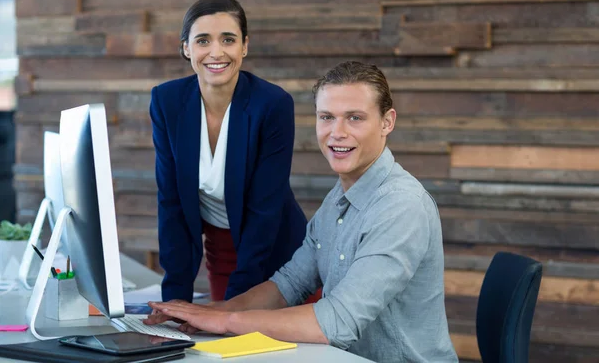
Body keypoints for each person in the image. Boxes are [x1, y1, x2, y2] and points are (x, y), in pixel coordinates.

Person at [146, 61, 458, 362]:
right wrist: (214, 312)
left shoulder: (401, 206)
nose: (337, 132)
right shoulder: (338, 198)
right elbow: (289, 284)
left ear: (387, 122)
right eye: (327, 117)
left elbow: (337, 321)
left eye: (355, 118)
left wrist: (228, 321)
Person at [149, 0, 307, 302]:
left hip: (279, 256)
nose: (216, 52)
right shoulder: (167, 102)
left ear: (244, 46)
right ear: (186, 48)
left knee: (263, 345)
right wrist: (175, 300)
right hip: (221, 250)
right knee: (211, 342)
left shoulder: (272, 105)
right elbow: (172, 205)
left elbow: (265, 211)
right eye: (203, 40)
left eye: (228, 39)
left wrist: (233, 308)